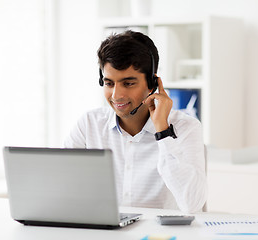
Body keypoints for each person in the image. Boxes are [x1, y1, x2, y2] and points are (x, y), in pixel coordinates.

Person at [64, 30, 207, 213]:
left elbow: (192, 204)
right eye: (109, 83)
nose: (116, 95)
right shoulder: (89, 124)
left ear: (152, 83)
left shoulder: (186, 128)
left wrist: (163, 131)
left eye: (128, 83)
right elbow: (63, 187)